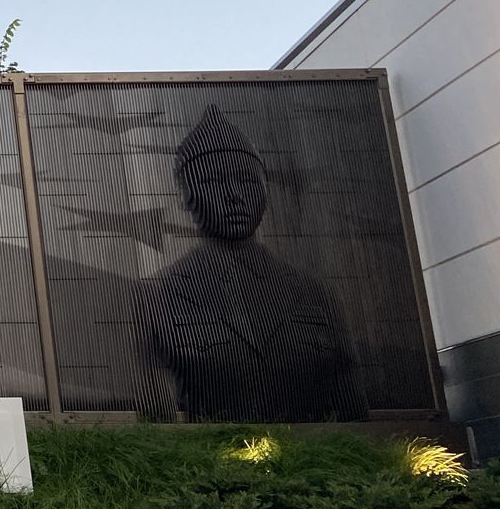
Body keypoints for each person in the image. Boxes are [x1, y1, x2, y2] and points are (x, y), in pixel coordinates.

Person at [139, 104, 366, 422]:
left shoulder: (316, 294)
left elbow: (353, 410)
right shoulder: (157, 295)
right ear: (185, 197)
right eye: (213, 182)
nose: (234, 195)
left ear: (265, 190)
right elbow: (155, 418)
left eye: (246, 180)